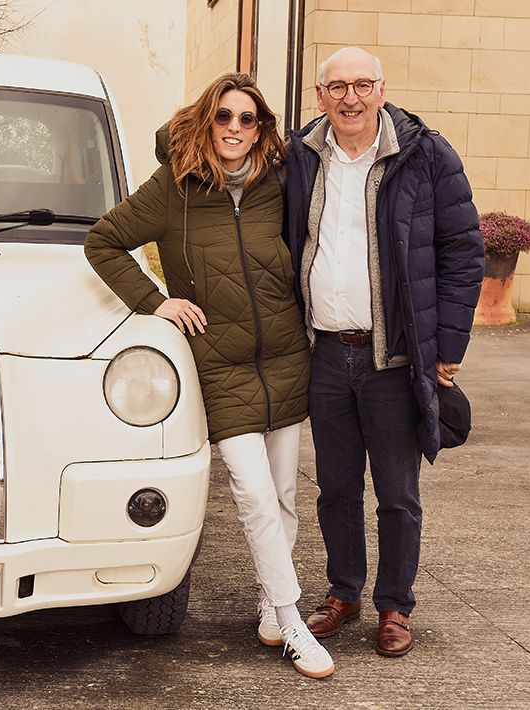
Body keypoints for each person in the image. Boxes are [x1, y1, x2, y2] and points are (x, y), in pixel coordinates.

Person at [85, 73, 334, 679]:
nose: (234, 128)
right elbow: (104, 241)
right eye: (223, 116)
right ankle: (293, 620)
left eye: (247, 118)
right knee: (253, 495)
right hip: (220, 365)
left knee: (284, 494)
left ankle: (269, 601)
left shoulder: (278, 180)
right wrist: (156, 302)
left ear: (261, 127)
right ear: (206, 120)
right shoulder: (175, 186)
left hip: (285, 357)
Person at [284, 47, 484, 657]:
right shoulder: (299, 156)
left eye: (362, 85)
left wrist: (447, 345)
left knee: (397, 494)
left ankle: (395, 605)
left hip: (394, 358)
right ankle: (343, 592)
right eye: (337, 87)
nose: (350, 98)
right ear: (320, 95)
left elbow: (463, 252)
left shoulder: (426, 154)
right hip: (324, 354)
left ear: (382, 89)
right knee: (335, 489)